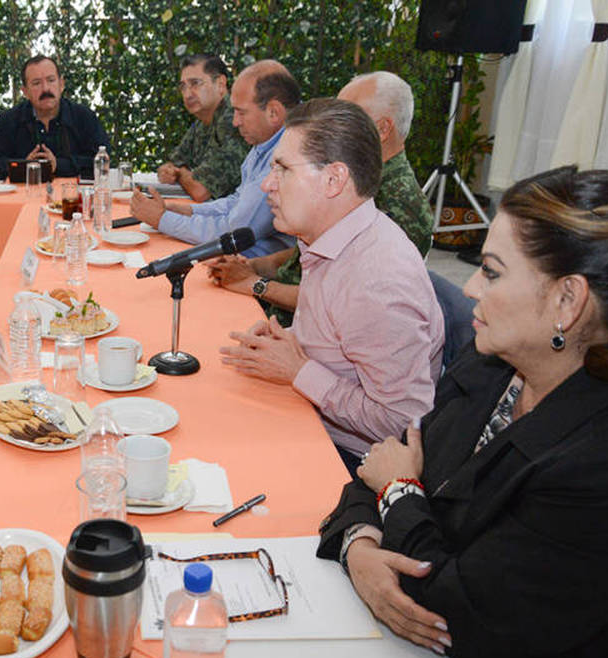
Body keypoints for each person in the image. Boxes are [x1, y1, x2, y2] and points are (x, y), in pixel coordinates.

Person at [317, 166, 608, 658]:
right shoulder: (494, 365)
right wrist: (361, 547)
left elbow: (461, 618)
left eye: (492, 271)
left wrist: (398, 491)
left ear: (567, 301)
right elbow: (381, 463)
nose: (470, 289)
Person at [218, 98, 443, 471]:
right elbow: (342, 339)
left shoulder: (378, 281)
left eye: (283, 169)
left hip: (349, 460)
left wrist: (298, 371)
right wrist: (289, 341)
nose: (267, 184)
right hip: (310, 421)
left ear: (334, 179)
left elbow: (404, 425)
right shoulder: (328, 238)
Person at [207, 71, 434, 324]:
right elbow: (302, 255)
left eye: (346, 116)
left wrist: (255, 284)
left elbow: (347, 303)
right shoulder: (352, 177)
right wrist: (253, 267)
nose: (330, 125)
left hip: (304, 330)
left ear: (382, 129)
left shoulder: (401, 203)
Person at [130, 59, 297, 256]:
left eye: (241, 113)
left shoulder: (291, 149)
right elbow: (237, 201)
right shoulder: (265, 141)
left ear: (273, 112)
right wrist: (189, 211)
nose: (235, 122)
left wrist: (163, 220)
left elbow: (233, 232)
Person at [0, 55, 109, 179]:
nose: (45, 89)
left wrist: (58, 165)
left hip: (72, 192)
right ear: (25, 92)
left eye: (51, 80)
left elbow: (102, 160)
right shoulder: (9, 120)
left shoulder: (83, 117)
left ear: (61, 84)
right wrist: (23, 165)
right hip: (24, 192)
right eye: (36, 83)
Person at [157, 54, 248, 201]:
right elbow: (173, 162)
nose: (187, 94)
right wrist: (169, 170)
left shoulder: (234, 120)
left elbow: (200, 190)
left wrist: (179, 173)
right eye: (183, 87)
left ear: (220, 84)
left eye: (195, 83)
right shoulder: (202, 121)